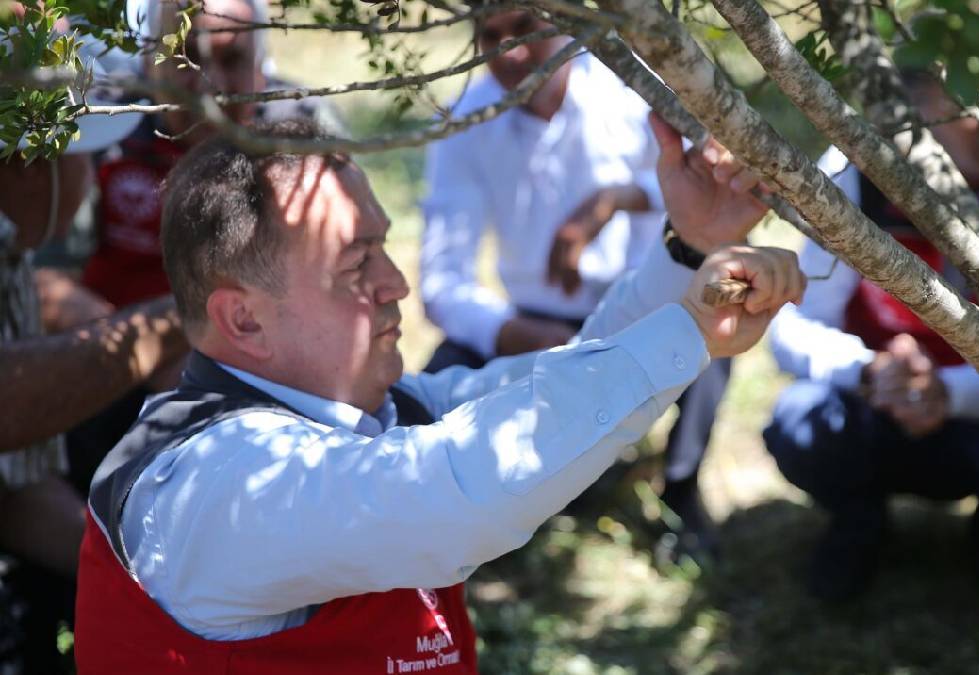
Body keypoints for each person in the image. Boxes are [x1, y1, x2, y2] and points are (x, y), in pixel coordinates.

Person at [73, 116, 801, 673]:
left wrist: (688, 251)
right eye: (358, 263)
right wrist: (690, 329)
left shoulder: (370, 414)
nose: (397, 283)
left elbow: (563, 384)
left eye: (384, 247)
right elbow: (456, 495)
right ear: (244, 318)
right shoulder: (214, 481)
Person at [421, 10, 739, 557]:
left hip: (644, 298)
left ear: (562, 22)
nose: (509, 52)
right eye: (490, 35)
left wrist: (616, 199)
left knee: (712, 324)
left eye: (525, 28)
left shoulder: (625, 83)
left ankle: (681, 491)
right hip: (532, 317)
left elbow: (705, 178)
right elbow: (442, 277)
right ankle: (467, 516)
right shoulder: (467, 120)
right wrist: (512, 331)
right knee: (439, 376)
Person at [762, 71, 979, 602]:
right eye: (965, 101)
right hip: (876, 406)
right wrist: (867, 370)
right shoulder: (859, 175)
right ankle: (860, 522)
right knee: (799, 419)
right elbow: (793, 325)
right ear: (916, 104)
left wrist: (952, 391)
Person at [37, 0, 342, 496]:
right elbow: (47, 282)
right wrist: (145, 346)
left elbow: (344, 286)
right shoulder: (104, 122)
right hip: (117, 372)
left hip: (266, 374)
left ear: (262, 63)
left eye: (230, 58)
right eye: (186, 60)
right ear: (149, 60)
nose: (209, 86)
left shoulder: (302, 131)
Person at [0, 23, 188, 669]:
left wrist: (150, 593)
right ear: (28, 159)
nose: (91, 173)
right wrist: (163, 326)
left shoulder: (10, 256)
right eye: (79, 152)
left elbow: (18, 493)